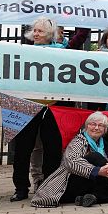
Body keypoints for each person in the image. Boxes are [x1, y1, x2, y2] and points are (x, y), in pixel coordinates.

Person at [11, 17, 90, 201]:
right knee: (23, 148)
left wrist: (86, 18)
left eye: (41, 31)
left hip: (56, 107)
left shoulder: (63, 52)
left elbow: (79, 38)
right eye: (35, 31)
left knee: (52, 148)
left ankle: (49, 185)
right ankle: (21, 188)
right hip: (27, 104)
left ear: (50, 34)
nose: (36, 34)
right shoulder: (24, 50)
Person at [31, 112, 108, 207]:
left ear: (105, 129)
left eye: (101, 125)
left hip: (91, 184)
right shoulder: (79, 140)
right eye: (93, 124)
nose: (96, 128)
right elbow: (71, 162)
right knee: (95, 157)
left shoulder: (104, 144)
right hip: (70, 183)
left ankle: (90, 197)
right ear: (87, 126)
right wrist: (97, 170)